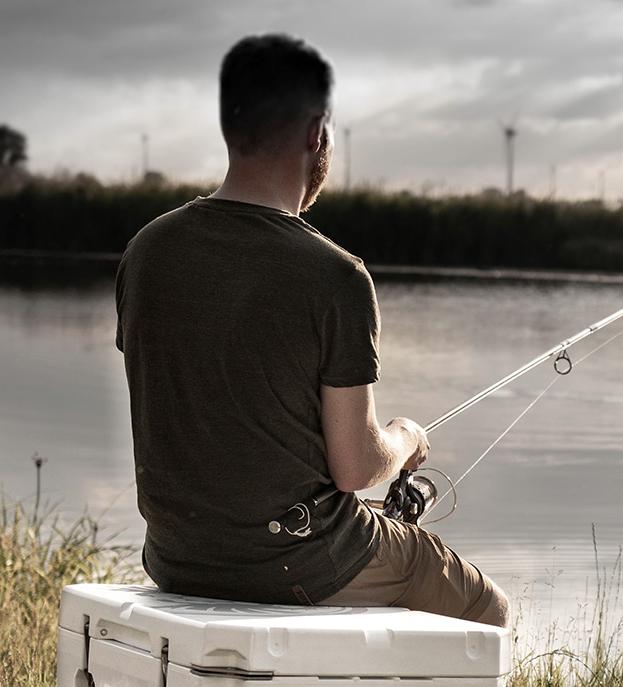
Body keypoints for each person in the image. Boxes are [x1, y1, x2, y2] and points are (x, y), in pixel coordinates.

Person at [115, 33, 509, 626]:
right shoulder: (336, 276)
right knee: (486, 609)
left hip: (174, 557)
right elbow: (355, 467)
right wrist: (405, 438)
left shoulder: (147, 250)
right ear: (315, 133)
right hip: (299, 561)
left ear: (231, 127)